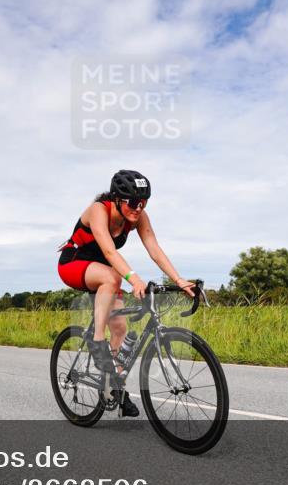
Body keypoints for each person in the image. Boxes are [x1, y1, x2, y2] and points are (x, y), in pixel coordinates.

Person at [57, 170, 195, 417]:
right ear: (117, 199)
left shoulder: (137, 217)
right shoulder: (99, 210)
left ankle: (113, 388)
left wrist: (179, 279)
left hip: (102, 272)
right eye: (132, 202)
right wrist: (134, 279)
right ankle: (97, 341)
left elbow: (154, 248)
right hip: (74, 264)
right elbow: (110, 253)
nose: (138, 208)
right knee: (113, 277)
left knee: (120, 328)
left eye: (143, 203)